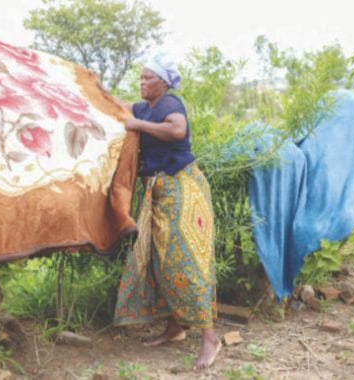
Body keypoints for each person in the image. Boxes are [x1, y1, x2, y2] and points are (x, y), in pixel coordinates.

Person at [113, 51, 221, 369]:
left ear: (162, 82)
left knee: (188, 261)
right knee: (162, 260)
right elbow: (118, 107)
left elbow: (177, 131)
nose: (142, 82)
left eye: (147, 78)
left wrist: (138, 125)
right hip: (160, 191)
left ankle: (209, 339)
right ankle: (175, 329)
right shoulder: (144, 107)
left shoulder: (170, 105)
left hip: (184, 188)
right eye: (141, 77)